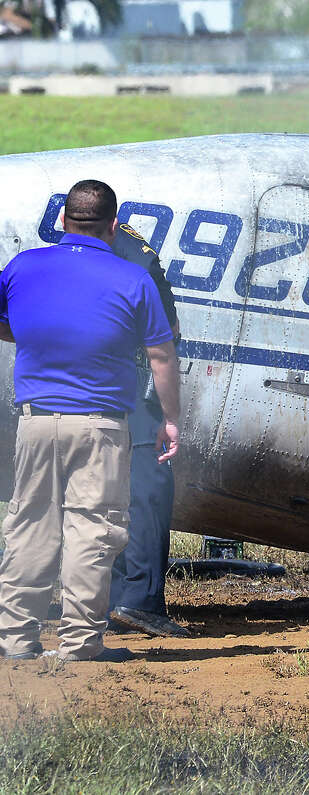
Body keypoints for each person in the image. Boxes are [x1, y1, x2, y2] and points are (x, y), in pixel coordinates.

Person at [0, 180, 181, 663]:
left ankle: (16, 641)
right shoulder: (133, 279)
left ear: (61, 220)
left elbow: (5, 320)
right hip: (101, 426)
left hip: (35, 422)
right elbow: (162, 356)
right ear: (114, 226)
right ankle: (79, 644)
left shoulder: (21, 267)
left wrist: (33, 333)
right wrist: (170, 419)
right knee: (92, 529)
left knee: (29, 526)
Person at [107, 223, 189, 638]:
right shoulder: (133, 249)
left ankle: (103, 598)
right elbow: (165, 334)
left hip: (83, 387)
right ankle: (139, 600)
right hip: (134, 385)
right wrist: (170, 413)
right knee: (148, 489)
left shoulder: (55, 255)